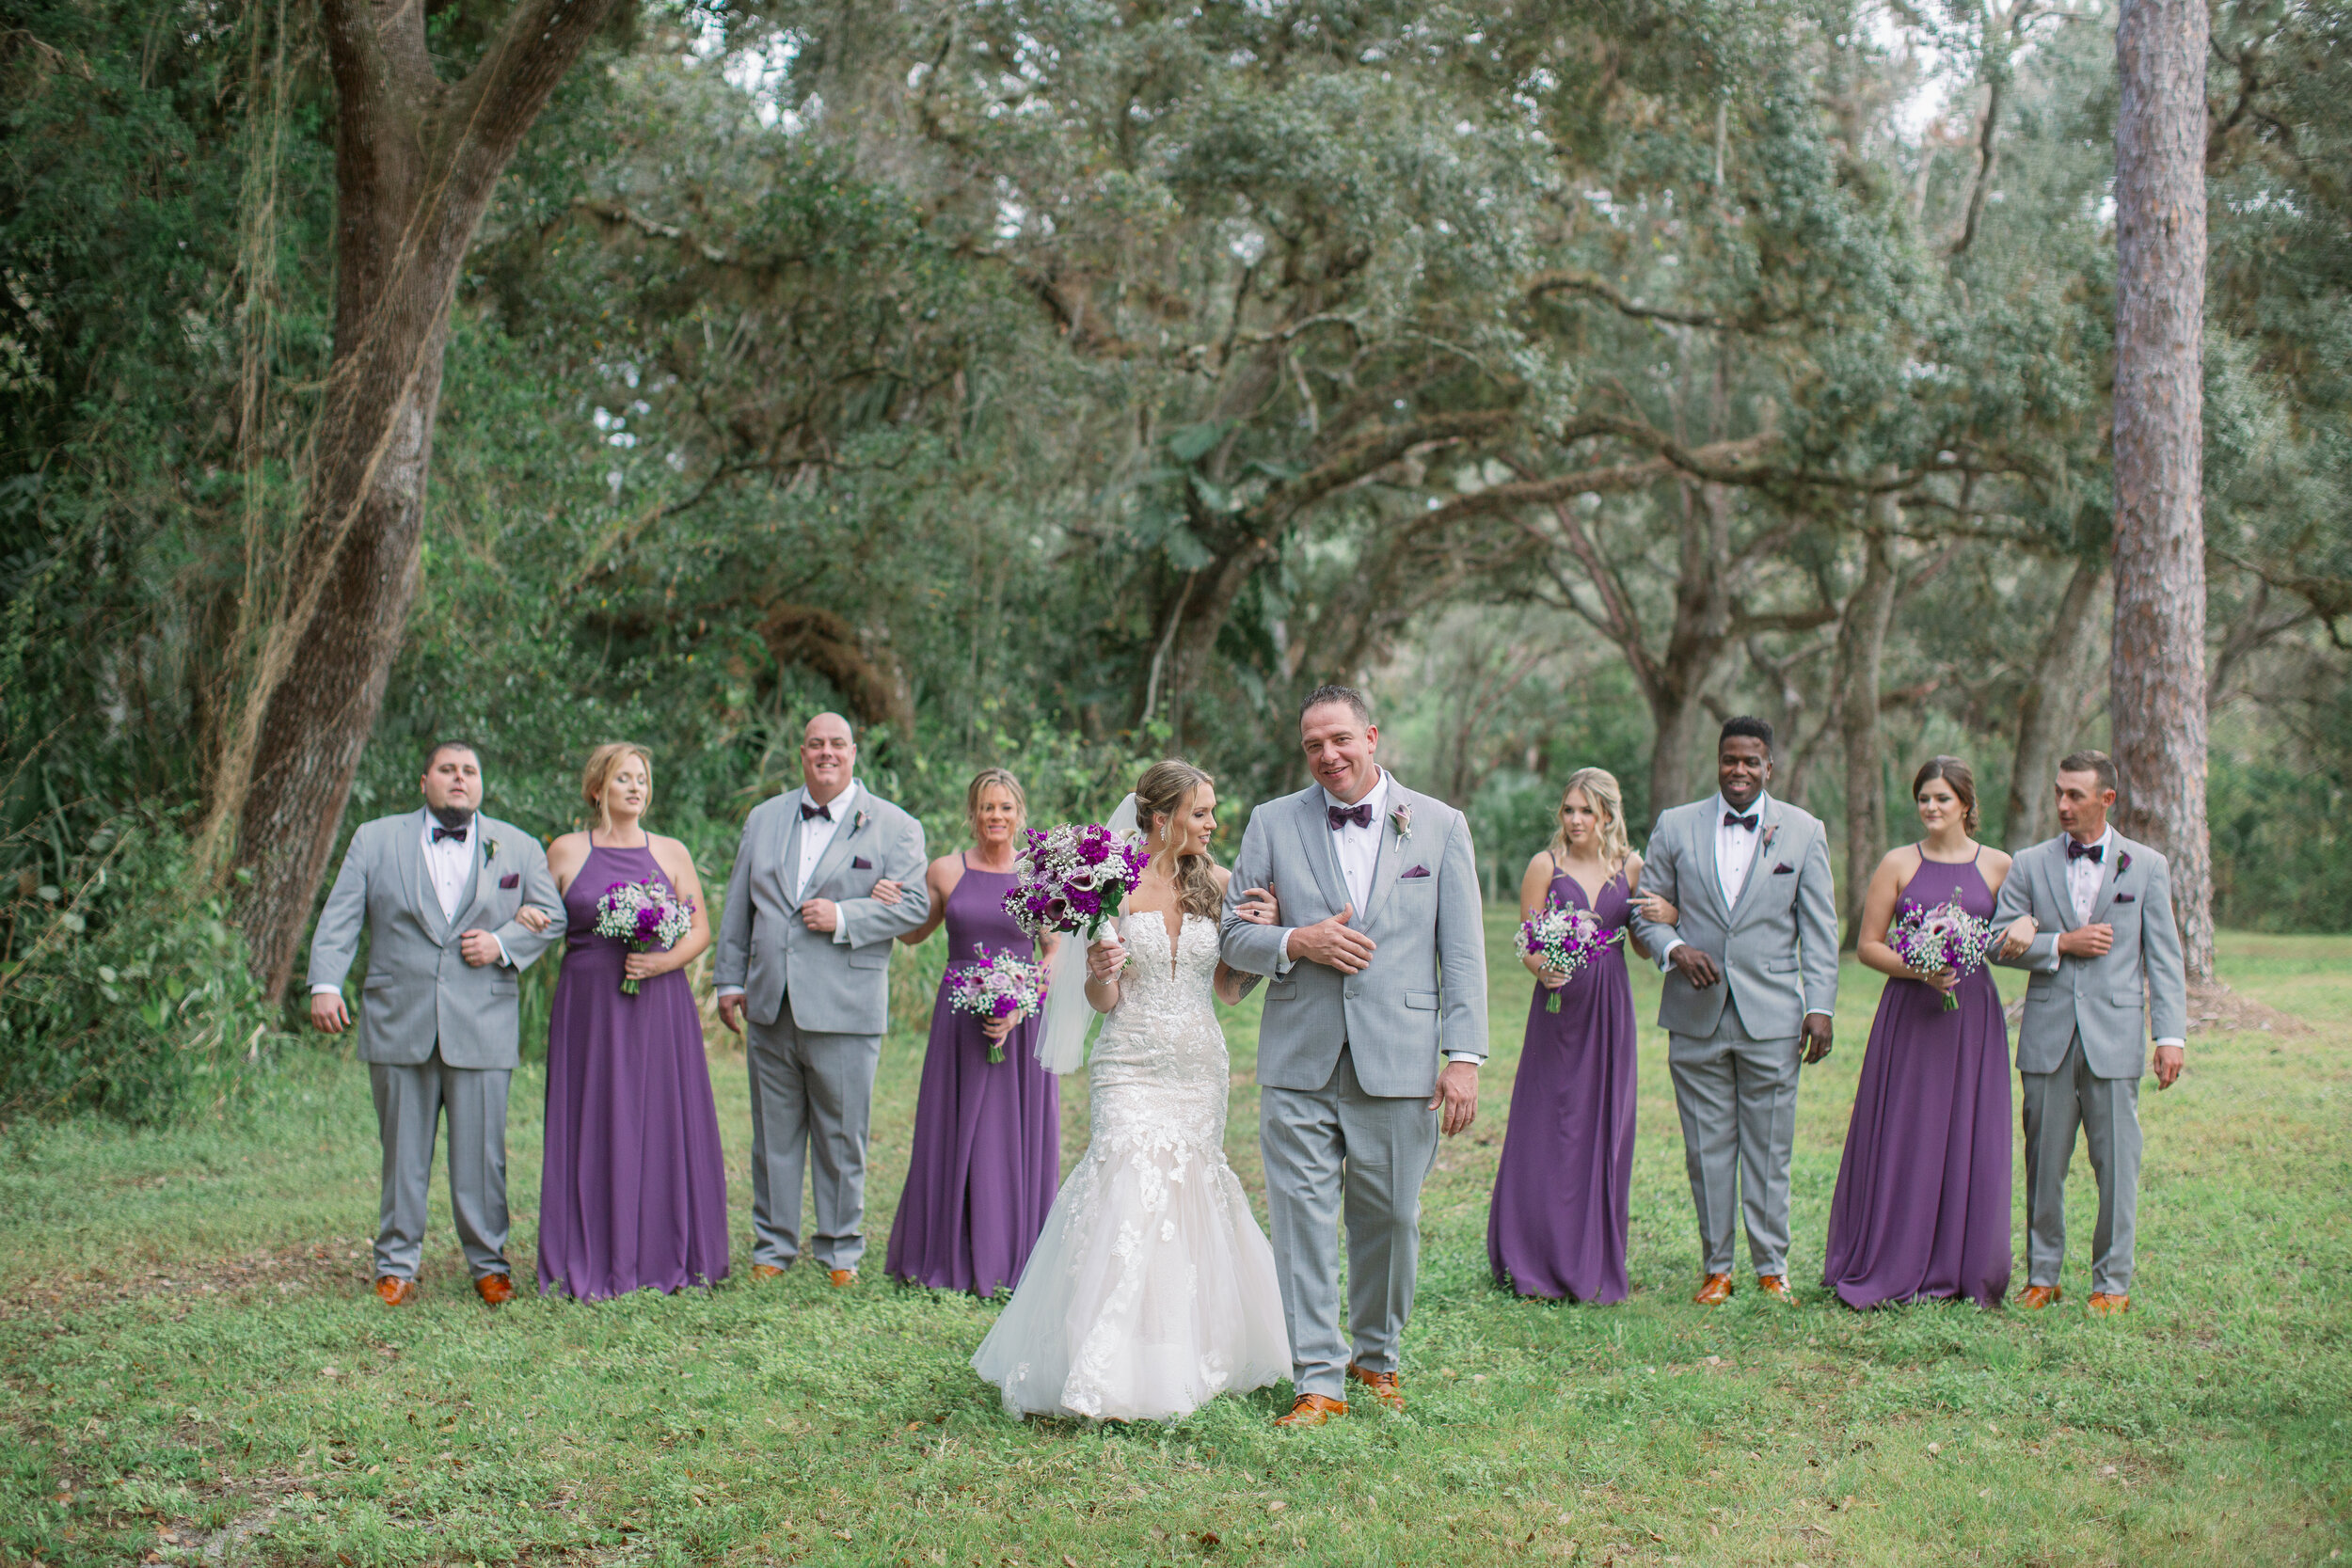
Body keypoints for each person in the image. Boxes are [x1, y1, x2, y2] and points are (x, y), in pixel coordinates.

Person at [971, 761, 1288, 1421]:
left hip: (1198, 1063)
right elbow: (1102, 998)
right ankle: (1104, 1360)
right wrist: (1099, 969)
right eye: (1201, 812)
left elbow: (1228, 988)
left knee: (1189, 1191)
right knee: (1126, 1181)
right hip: (1129, 1060)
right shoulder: (1108, 884)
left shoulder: (1221, 884)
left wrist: (1261, 943)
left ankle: (1178, 1350)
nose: (1212, 823)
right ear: (1161, 815)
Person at [1219, 686, 1488, 1428]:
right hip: (1298, 1054)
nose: (1328, 756)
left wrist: (1462, 1055)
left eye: (1340, 739)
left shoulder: (1439, 826)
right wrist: (1294, 940)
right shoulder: (1273, 822)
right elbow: (1231, 934)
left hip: (1400, 1057)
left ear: (1371, 736)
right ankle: (1318, 1379)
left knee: (1392, 1216)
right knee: (1301, 1217)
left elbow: (1462, 952)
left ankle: (1377, 1358)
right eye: (1313, 745)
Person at [306, 741, 564, 1307]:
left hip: (482, 1020)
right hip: (400, 1018)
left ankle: (489, 1265)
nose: (459, 778)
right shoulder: (375, 839)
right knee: (402, 1153)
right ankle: (396, 1264)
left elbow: (554, 918)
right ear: (424, 781)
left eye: (470, 771)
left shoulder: (515, 845)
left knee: (483, 1154)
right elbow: (342, 914)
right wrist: (325, 983)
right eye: (448, 769)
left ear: (481, 785)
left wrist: (502, 941)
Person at [713, 712, 930, 1286]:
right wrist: (728, 979)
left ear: (854, 753)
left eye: (837, 744)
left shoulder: (895, 826)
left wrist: (845, 915)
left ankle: (840, 1253)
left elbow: (913, 909)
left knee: (842, 1135)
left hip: (846, 1002)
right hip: (769, 1001)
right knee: (773, 1133)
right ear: (802, 753)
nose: (826, 753)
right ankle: (772, 1248)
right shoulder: (763, 819)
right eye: (815, 744)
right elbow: (740, 904)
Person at [1629, 716, 1838, 1306]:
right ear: (1717, 761)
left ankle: (1773, 1268)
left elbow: (1820, 929)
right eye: (1730, 760)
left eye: (1751, 761)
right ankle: (1716, 1268)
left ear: (1768, 766)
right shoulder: (1676, 825)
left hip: (1773, 1015)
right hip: (1695, 1012)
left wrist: (1819, 1005)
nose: (1739, 771)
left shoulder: (1802, 831)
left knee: (1772, 1148)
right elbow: (1645, 911)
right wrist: (1674, 948)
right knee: (1707, 1147)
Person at [1991, 749, 2187, 1315]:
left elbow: (2164, 957)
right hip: (2048, 1036)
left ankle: (2112, 1284)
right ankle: (2043, 1276)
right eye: (2058, 792)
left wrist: (2169, 1036)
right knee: (2043, 1164)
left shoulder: (2146, 865)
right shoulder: (2028, 864)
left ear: (2107, 799)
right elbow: (1997, 943)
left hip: (2117, 1035)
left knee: (2117, 1165)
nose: (2062, 805)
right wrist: (2059, 945)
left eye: (2075, 795)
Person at [1821, 756, 2015, 1309]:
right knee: (1911, 1131)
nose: (1931, 808)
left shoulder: (1999, 866)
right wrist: (1920, 967)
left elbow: (2017, 932)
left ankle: (1963, 1266)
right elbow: (1868, 945)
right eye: (1924, 799)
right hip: (1911, 1014)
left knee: (1968, 1132)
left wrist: (2022, 926)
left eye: (1942, 799)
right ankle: (1893, 1258)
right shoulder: (1898, 863)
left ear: (1967, 806)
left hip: (1971, 1017)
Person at [536, 744, 729, 1299]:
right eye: (623, 778)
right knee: (593, 1117)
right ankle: (587, 1250)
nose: (635, 787)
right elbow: (541, 920)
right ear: (598, 788)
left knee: (658, 1117)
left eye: (642, 778)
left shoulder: (671, 851)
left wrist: (663, 961)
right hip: (589, 1006)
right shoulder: (567, 851)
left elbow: (699, 929)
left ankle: (661, 1250)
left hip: (658, 1002)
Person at [881, 768, 1062, 1296]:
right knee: (954, 1128)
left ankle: (1012, 1253)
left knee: (1010, 1131)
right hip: (958, 1019)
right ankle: (946, 1249)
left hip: (1022, 1018)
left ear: (1019, 813)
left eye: (1006, 807)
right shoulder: (945, 871)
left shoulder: (1038, 876)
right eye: (987, 807)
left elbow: (1053, 948)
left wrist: (1021, 1003)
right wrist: (892, 906)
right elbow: (916, 934)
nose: (996, 817)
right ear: (973, 814)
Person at [1487, 768, 1657, 1304]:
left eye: (1587, 810)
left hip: (1610, 1010)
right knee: (1546, 1122)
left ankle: (1594, 1256)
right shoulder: (1546, 865)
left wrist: (1661, 913)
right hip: (1557, 1010)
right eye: (1569, 810)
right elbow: (1526, 938)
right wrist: (1542, 968)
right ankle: (1531, 1253)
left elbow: (1646, 947)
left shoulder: (1632, 866)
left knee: (1602, 1125)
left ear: (1608, 813)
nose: (1577, 819)